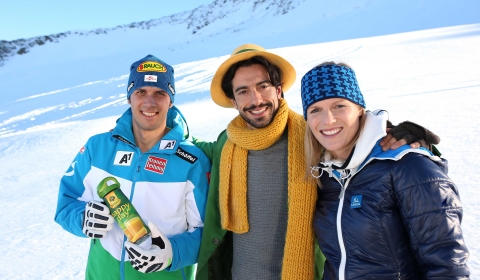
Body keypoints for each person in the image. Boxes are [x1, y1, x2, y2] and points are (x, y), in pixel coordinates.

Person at [193, 44, 438, 280]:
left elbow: (359, 140)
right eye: (243, 91)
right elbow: (192, 147)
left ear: (279, 90)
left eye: (263, 86)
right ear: (234, 101)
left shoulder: (313, 136)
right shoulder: (227, 144)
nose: (256, 99)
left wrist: (407, 136)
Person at [301, 62, 470, 279]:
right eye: (315, 110)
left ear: (360, 109)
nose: (328, 120)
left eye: (339, 106)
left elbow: (448, 265)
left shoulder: (408, 165)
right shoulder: (325, 174)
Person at [54, 54, 211, 280]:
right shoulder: (97, 148)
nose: (149, 102)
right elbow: (66, 203)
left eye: (160, 93)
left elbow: (207, 234)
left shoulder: (191, 160)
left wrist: (171, 253)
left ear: (171, 101)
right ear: (129, 98)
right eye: (140, 92)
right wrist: (83, 218)